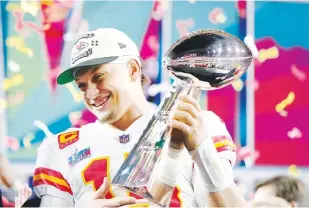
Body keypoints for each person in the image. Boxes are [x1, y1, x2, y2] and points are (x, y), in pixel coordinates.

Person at [33, 28, 247, 207]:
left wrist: (202, 149)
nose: (91, 93)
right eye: (82, 86)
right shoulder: (59, 148)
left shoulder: (199, 123)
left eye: (98, 77)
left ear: (133, 69)